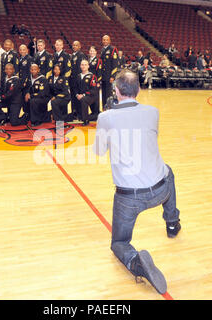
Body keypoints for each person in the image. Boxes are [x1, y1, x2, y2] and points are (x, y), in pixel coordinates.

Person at [92, 69, 181, 295]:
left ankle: (135, 263)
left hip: (128, 197)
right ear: (139, 90)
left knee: (119, 243)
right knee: (168, 171)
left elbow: (99, 151)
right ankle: (172, 223)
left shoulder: (106, 118)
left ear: (115, 91)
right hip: (160, 189)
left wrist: (106, 120)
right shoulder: (153, 112)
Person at [76, 59, 98, 126]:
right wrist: (77, 95)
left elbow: (94, 90)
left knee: (83, 100)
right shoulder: (78, 76)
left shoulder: (92, 76)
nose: (83, 66)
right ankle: (79, 115)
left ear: (88, 66)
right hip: (81, 95)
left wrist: (83, 95)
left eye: (85, 65)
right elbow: (75, 88)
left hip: (91, 96)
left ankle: (86, 120)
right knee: (75, 98)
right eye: (82, 65)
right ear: (80, 66)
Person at [70, 41, 87, 120]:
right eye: (73, 45)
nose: (75, 46)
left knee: (79, 96)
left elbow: (82, 68)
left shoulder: (81, 55)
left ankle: (80, 113)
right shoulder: (71, 56)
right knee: (73, 96)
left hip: (78, 79)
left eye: (76, 45)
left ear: (80, 46)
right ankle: (74, 112)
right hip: (72, 79)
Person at [100, 35, 118, 108]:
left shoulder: (113, 49)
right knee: (103, 93)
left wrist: (112, 76)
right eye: (104, 40)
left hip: (109, 75)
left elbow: (115, 64)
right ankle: (104, 107)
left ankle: (110, 108)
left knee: (109, 94)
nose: (105, 41)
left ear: (109, 41)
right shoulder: (102, 50)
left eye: (106, 40)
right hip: (103, 75)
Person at [88, 46, 102, 121]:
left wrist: (98, 82)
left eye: (93, 51)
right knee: (90, 97)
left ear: (96, 52)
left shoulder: (98, 60)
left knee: (95, 97)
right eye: (90, 51)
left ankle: (96, 113)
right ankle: (93, 111)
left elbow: (99, 72)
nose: (92, 52)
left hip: (95, 82)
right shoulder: (87, 60)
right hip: (88, 82)